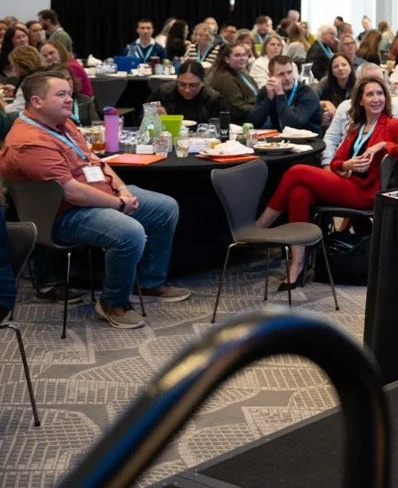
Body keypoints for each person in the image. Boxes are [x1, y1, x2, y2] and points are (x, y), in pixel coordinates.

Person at [0, 72, 189, 328]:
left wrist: (122, 190)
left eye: (69, 93)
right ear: (36, 102)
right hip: (61, 214)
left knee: (165, 207)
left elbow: (95, 161)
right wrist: (119, 204)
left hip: (97, 196)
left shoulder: (62, 123)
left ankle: (150, 283)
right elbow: (70, 192)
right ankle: (113, 303)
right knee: (129, 231)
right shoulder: (28, 142)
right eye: (61, 94)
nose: (70, 99)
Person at [256, 77, 398, 286]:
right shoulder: (356, 127)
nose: (376, 99)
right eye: (370, 94)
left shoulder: (393, 126)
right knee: (300, 193)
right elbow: (336, 162)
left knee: (297, 171)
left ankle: (260, 229)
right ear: (360, 101)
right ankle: (298, 264)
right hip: (346, 183)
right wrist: (347, 165)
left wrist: (385, 145)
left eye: (380, 94)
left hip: (365, 193)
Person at [321, 66, 398, 167]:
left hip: (368, 175)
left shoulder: (393, 115)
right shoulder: (355, 123)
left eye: (379, 91)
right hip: (344, 170)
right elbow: (331, 140)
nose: (376, 98)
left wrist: (385, 142)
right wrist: (329, 165)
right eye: (369, 93)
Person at [248, 55, 322, 133]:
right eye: (281, 74)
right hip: (278, 140)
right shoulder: (267, 91)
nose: (287, 78)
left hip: (308, 141)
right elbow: (252, 123)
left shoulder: (307, 93)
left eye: (289, 72)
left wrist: (280, 94)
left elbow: (294, 124)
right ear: (270, 76)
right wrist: (269, 99)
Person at [154, 61, 228, 123]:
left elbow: (221, 130)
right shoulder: (163, 93)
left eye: (193, 85)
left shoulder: (215, 100)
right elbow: (144, 122)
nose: (187, 90)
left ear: (202, 82)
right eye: (182, 84)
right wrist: (155, 117)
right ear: (177, 81)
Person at [207, 43, 258, 123]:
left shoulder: (242, 73)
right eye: (237, 55)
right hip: (238, 122)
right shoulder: (224, 78)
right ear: (227, 59)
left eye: (244, 55)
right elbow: (238, 108)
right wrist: (262, 108)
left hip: (252, 114)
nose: (242, 58)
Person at [315, 53, 355, 127]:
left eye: (344, 65)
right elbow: (311, 99)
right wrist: (325, 103)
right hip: (330, 124)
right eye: (336, 67)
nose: (340, 68)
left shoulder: (358, 84)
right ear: (332, 71)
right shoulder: (325, 82)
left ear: (350, 67)